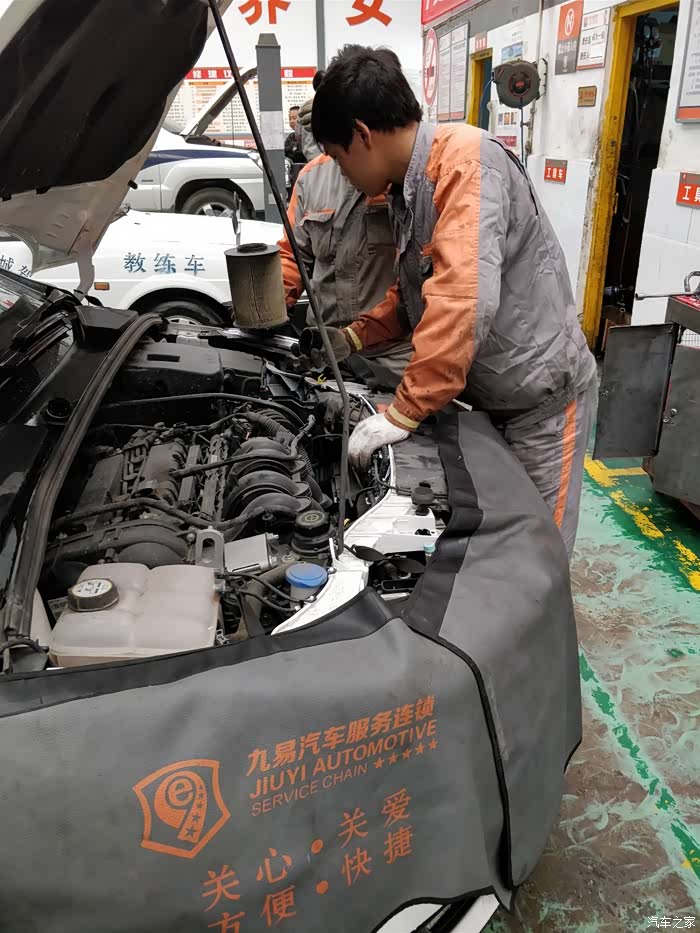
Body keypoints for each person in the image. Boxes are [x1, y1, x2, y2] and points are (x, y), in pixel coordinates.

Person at [308, 45, 597, 557]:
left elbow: (463, 301)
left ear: (363, 135)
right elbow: (417, 292)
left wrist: (403, 412)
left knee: (538, 562)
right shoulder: (407, 188)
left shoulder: (466, 164)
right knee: (499, 555)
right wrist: (354, 336)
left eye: (337, 155)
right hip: (493, 403)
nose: (340, 171)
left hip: (542, 410)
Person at [278, 145, 413, 388]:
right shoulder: (311, 177)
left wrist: (354, 337)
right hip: (321, 353)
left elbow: (416, 283)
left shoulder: (401, 174)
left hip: (389, 356)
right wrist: (274, 301)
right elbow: (292, 255)